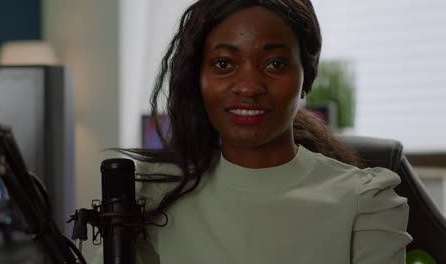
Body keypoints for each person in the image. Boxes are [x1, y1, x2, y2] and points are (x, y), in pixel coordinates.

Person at [105, 0, 412, 263]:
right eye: (224, 63)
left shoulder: (367, 201)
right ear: (197, 78)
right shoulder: (151, 191)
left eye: (275, 63)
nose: (249, 87)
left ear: (307, 77)